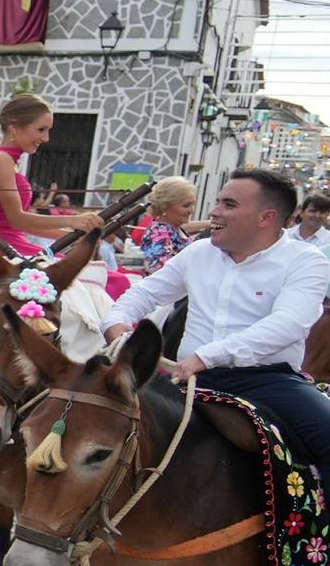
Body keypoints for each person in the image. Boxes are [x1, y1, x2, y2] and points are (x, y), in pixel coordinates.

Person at [105, 170, 330, 471]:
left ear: (266, 217)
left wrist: (206, 356)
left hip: (267, 381)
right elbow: (145, 293)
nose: (214, 211)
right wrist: (116, 323)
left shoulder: (306, 260)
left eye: (229, 204)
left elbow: (289, 323)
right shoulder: (199, 252)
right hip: (186, 378)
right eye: (217, 202)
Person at [0, 92, 101, 279]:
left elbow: (20, 225)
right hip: (1, 250)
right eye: (41, 130)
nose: (46, 138)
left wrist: (72, 235)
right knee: (99, 276)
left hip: (10, 245)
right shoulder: (1, 160)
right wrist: (71, 221)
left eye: (48, 130)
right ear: (15, 128)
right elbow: (17, 220)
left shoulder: (7, 161)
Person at [139, 176, 210, 272]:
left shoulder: (174, 229)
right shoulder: (160, 232)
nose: (192, 210)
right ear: (165, 206)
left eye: (193, 205)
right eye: (186, 205)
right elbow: (156, 268)